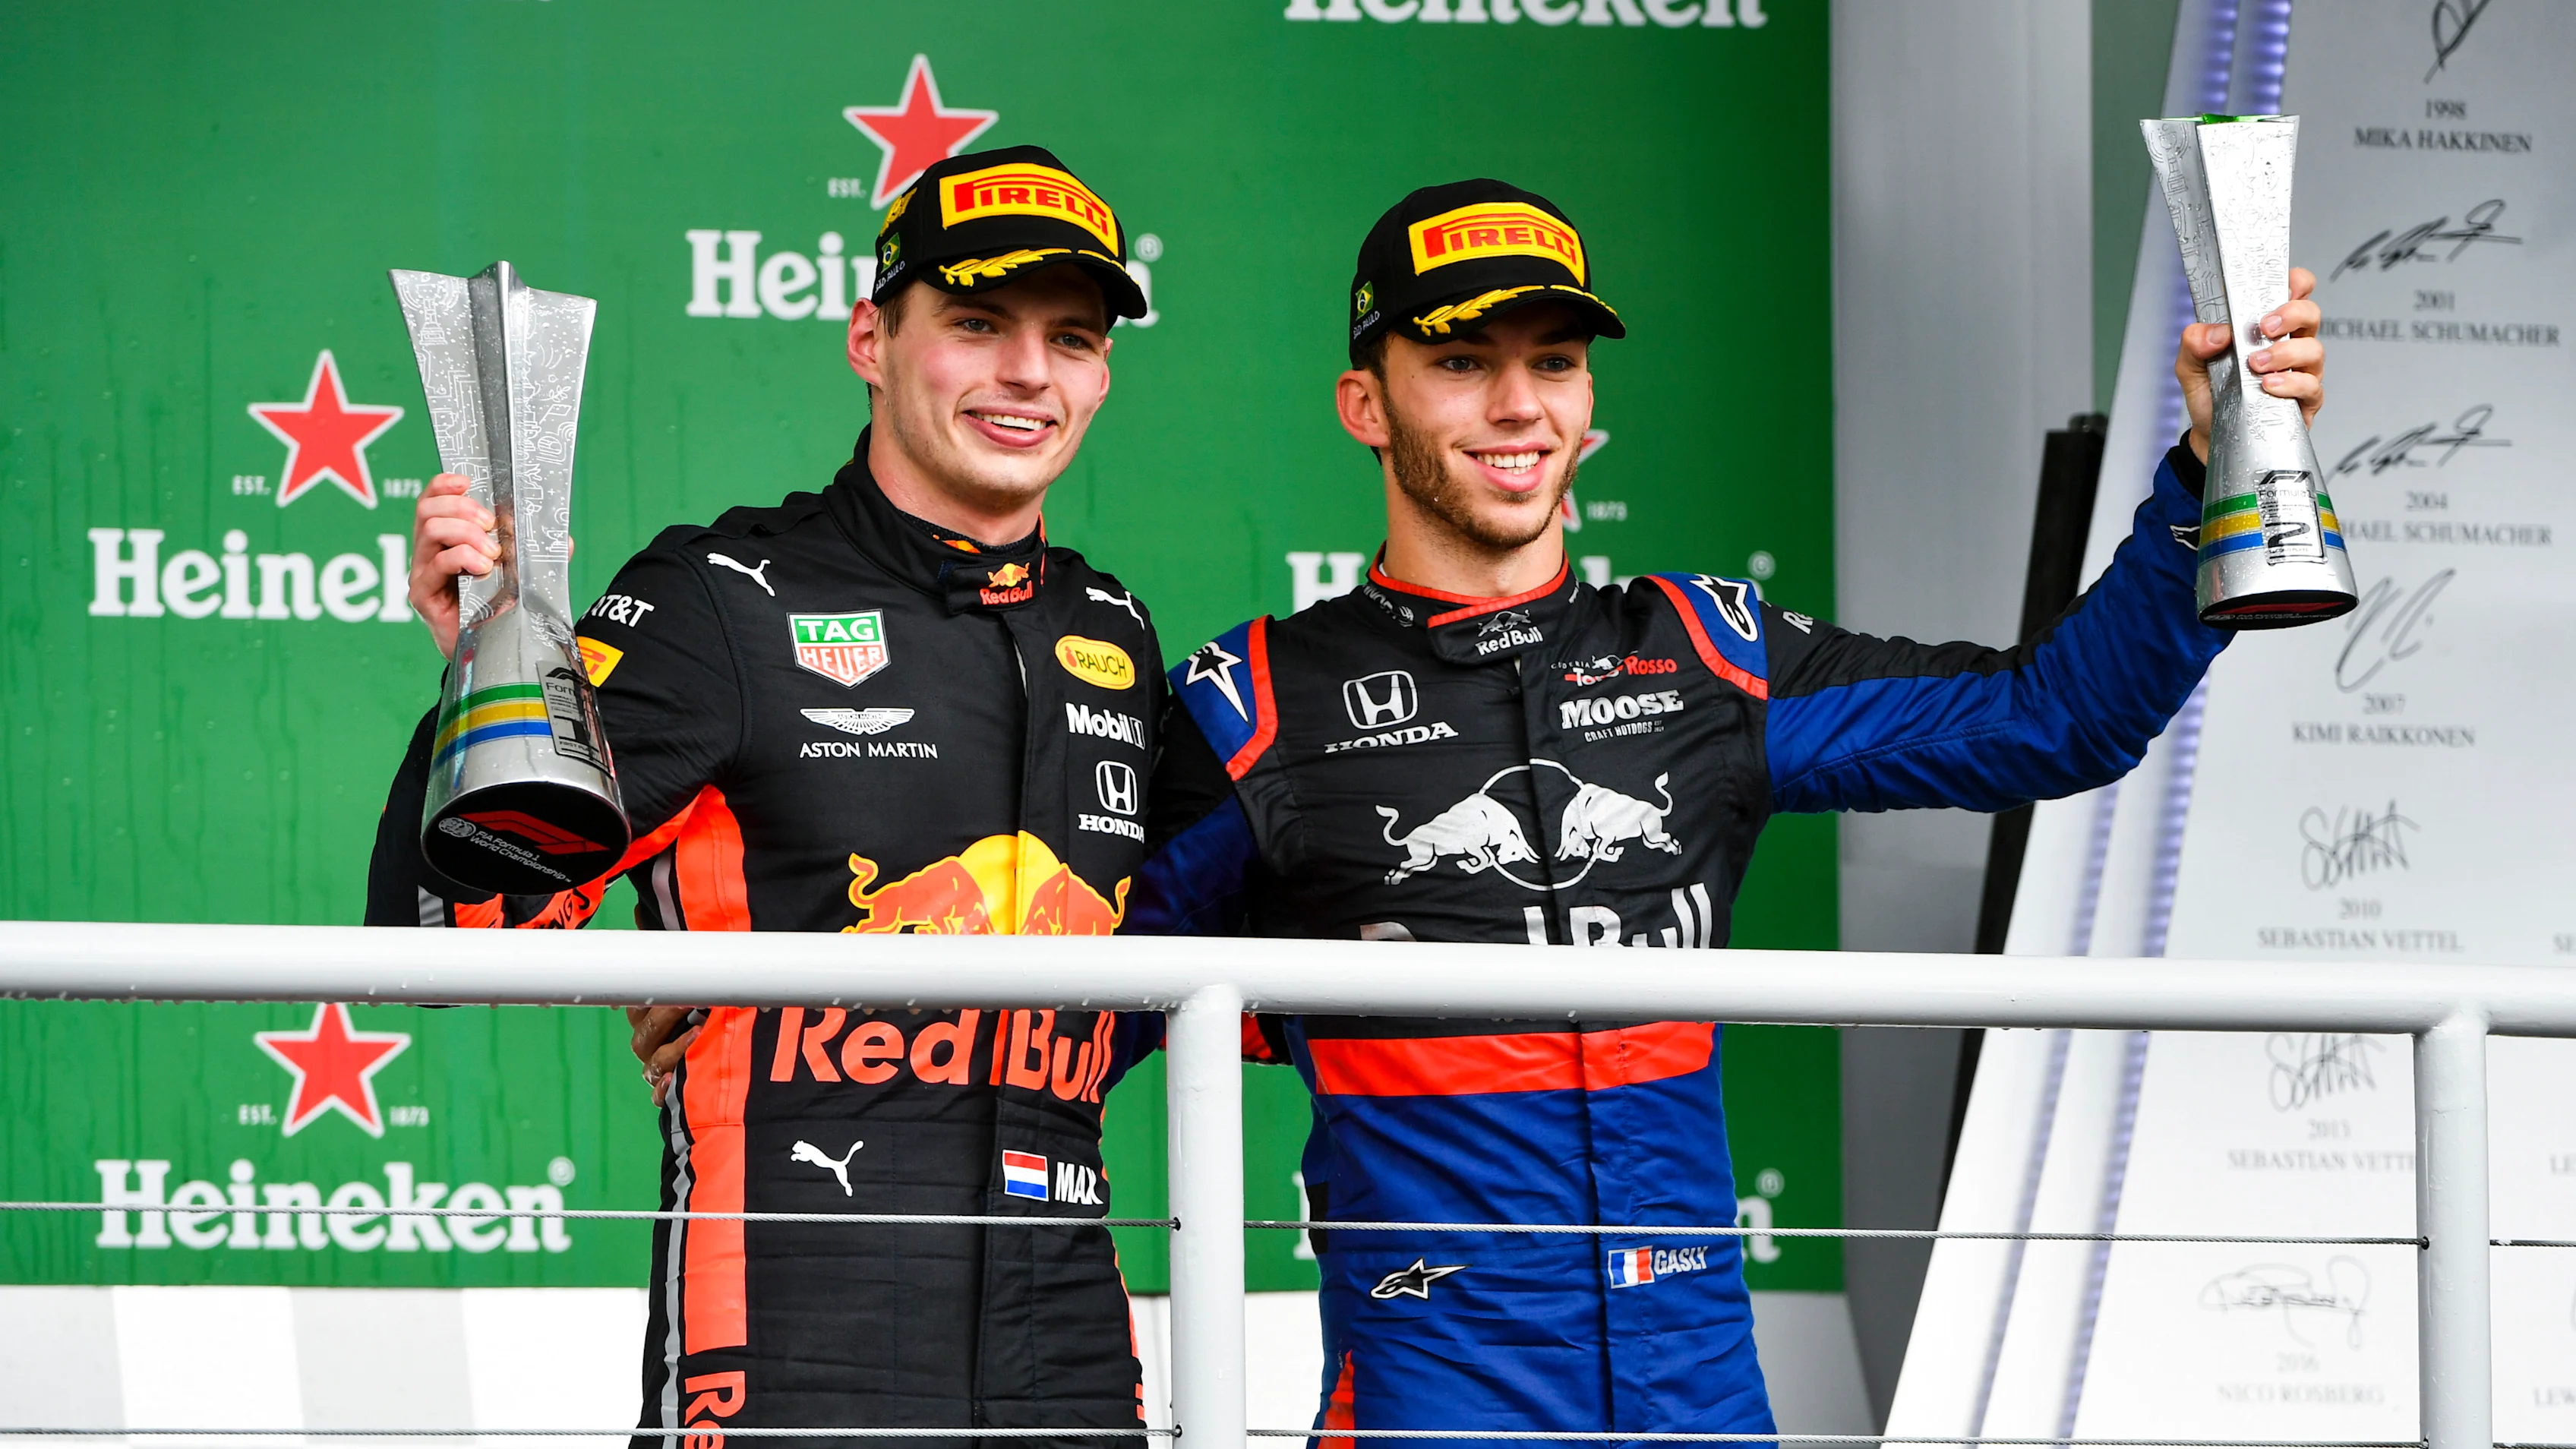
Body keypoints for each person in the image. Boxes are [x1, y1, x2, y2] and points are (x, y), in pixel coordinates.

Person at [1132, 179, 2325, 1441]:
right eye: (1461, 363)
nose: (1519, 404)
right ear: (1365, 404)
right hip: (1435, 1398)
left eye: (1555, 361)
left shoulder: (1707, 654)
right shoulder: (1255, 702)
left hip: (1697, 1391)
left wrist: (2208, 471)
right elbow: (1073, 1021)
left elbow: (2055, 719)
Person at [365, 146, 1166, 1447]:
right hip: (792, 1344)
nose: (1029, 371)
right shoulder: (722, 597)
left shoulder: (1113, 630)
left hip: (1070, 1352)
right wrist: (485, 677)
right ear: (870, 339)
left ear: (1102, 374)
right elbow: (451, 932)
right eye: (976, 324)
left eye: (1070, 338)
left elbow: (1176, 951)